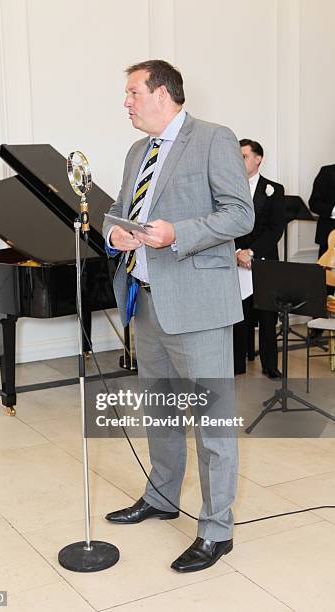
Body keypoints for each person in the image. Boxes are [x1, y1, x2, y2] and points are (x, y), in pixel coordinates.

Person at [102, 60, 254, 573]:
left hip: (200, 305)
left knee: (212, 423)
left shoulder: (213, 138)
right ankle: (163, 496)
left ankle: (217, 529)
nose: (125, 102)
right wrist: (114, 234)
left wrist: (177, 234)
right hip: (145, 302)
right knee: (161, 412)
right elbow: (121, 210)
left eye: (132, 92)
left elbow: (240, 213)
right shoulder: (135, 151)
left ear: (162, 92)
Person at [233, 139, 285, 378]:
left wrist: (251, 252)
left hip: (263, 261)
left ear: (258, 159)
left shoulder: (274, 189)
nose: (239, 159)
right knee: (237, 315)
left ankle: (270, 366)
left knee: (266, 315)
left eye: (243, 156)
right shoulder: (228, 186)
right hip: (235, 259)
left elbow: (275, 229)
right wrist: (236, 253)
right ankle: (236, 364)